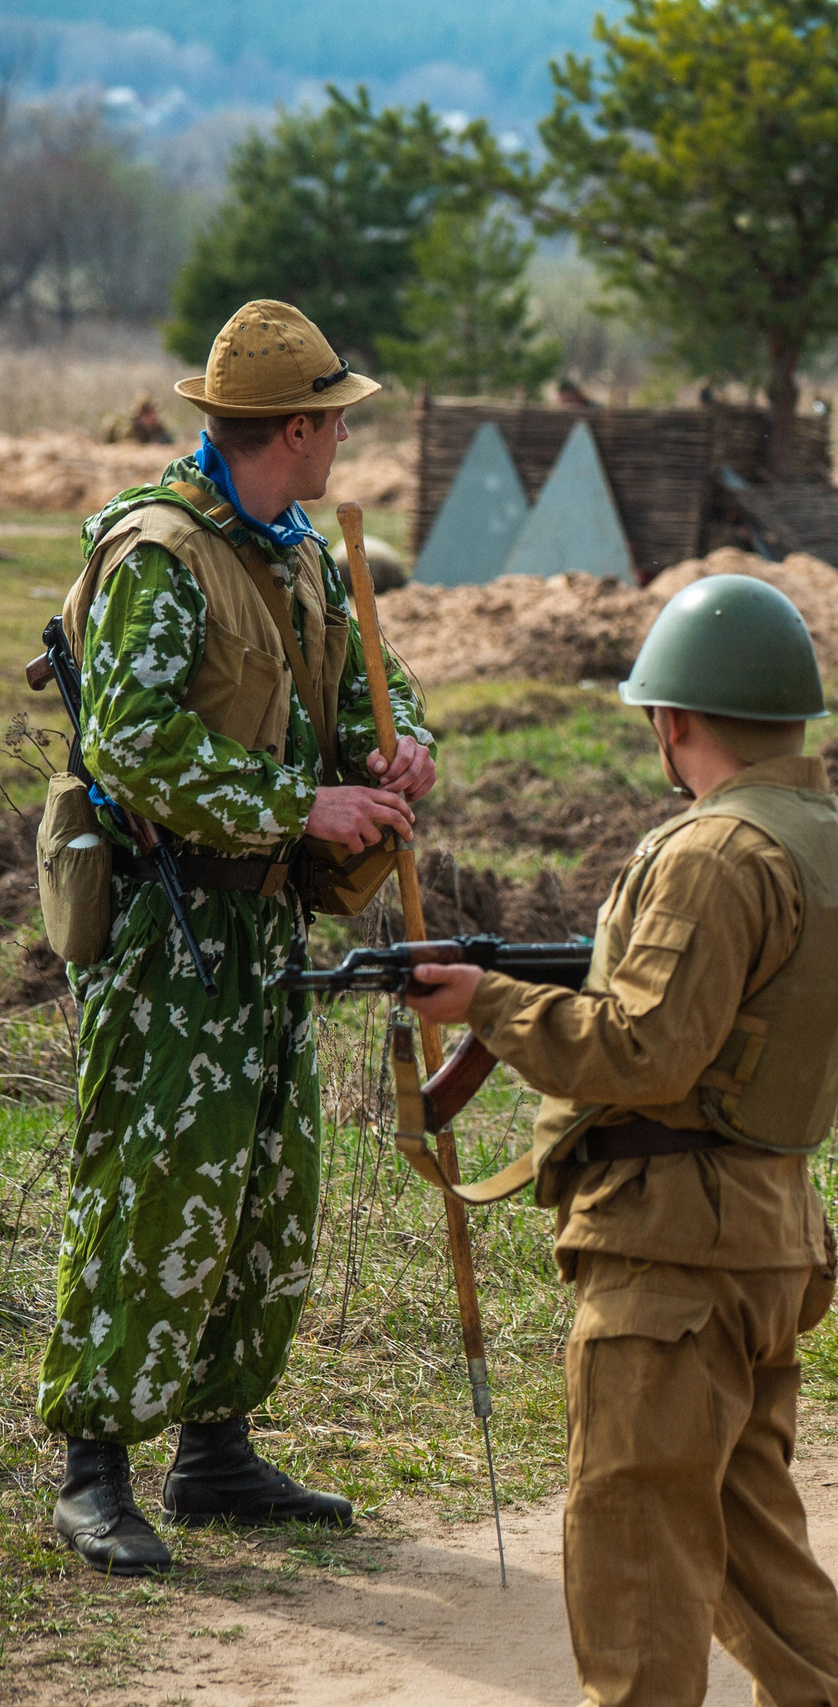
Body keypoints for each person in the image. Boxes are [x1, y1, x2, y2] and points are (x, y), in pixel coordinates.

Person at [407, 574, 838, 1707]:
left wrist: (492, 1004)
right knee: (746, 1521)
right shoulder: (830, 835)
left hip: (672, 1255)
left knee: (633, 1539)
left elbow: (643, 1053)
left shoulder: (712, 852)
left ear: (674, 721)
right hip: (764, 1238)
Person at [40, 300, 434, 1576]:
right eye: (338, 419)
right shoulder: (161, 552)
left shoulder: (298, 549)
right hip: (171, 933)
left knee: (267, 1187)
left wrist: (396, 737)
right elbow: (132, 743)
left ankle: (217, 1450)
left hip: (264, 927)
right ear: (302, 427)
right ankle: (93, 1468)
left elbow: (367, 671)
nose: (342, 442)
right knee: (152, 1186)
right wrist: (297, 801)